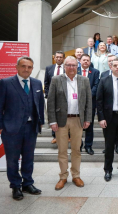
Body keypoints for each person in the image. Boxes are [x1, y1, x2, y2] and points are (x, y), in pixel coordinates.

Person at [0, 56, 44, 200]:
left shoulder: (37, 83)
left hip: (30, 127)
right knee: (12, 159)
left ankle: (27, 183)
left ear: (32, 69)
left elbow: (40, 105)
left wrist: (40, 121)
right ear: (17, 67)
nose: (26, 69)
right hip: (11, 129)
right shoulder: (5, 83)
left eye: (29, 67)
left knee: (28, 158)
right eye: (23, 66)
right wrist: (0, 126)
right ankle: (15, 185)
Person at [47, 56, 92, 191]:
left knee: (76, 150)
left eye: (73, 65)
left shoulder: (84, 80)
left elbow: (89, 101)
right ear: (64, 66)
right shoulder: (56, 79)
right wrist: (52, 121)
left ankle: (76, 175)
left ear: (77, 66)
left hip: (78, 120)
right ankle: (63, 176)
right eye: (68, 65)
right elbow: (50, 102)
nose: (71, 68)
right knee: (62, 150)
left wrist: (88, 119)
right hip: (61, 121)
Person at [77, 54, 100, 155]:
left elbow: (96, 85)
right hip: (76, 103)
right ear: (80, 61)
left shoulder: (95, 72)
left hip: (90, 102)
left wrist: (87, 97)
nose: (86, 62)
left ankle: (88, 146)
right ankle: (78, 145)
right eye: (84, 60)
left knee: (89, 126)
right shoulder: (75, 70)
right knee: (77, 126)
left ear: (90, 62)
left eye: (87, 60)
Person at [44, 51, 65, 144]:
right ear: (54, 58)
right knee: (53, 116)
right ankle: (54, 136)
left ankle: (66, 135)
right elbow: (46, 83)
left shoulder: (67, 68)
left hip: (64, 97)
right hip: (52, 97)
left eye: (61, 57)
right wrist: (48, 95)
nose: (59, 59)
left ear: (63, 58)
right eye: (57, 57)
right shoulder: (49, 68)